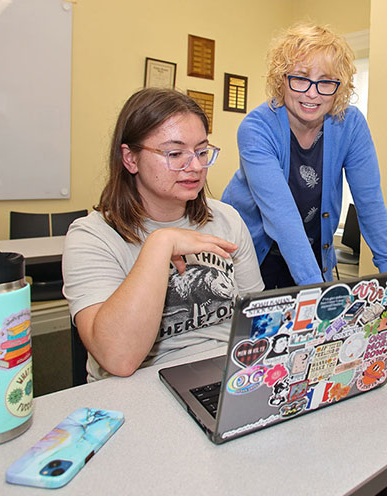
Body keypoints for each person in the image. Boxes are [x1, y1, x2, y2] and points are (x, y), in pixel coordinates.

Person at [221, 22, 387, 311]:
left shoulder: (350, 124)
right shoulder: (257, 128)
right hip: (252, 253)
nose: (312, 93)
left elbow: (370, 202)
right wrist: (320, 295)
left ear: (340, 86)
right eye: (300, 78)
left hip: (309, 252)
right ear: (281, 79)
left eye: (325, 82)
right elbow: (282, 218)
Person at [62, 88, 264, 381]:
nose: (195, 166)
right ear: (130, 159)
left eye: (201, 151)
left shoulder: (227, 219)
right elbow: (118, 359)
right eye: (175, 153)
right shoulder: (92, 237)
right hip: (139, 382)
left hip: (223, 372)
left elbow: (255, 318)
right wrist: (160, 243)